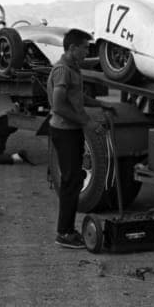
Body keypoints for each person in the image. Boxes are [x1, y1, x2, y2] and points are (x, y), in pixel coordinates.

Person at [47, 29, 109, 248]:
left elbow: (76, 97)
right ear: (72, 48)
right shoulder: (63, 70)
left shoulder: (73, 69)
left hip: (70, 131)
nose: (86, 52)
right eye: (84, 48)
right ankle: (64, 232)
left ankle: (66, 230)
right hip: (64, 131)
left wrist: (99, 104)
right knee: (71, 181)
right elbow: (59, 105)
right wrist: (87, 122)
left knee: (73, 179)